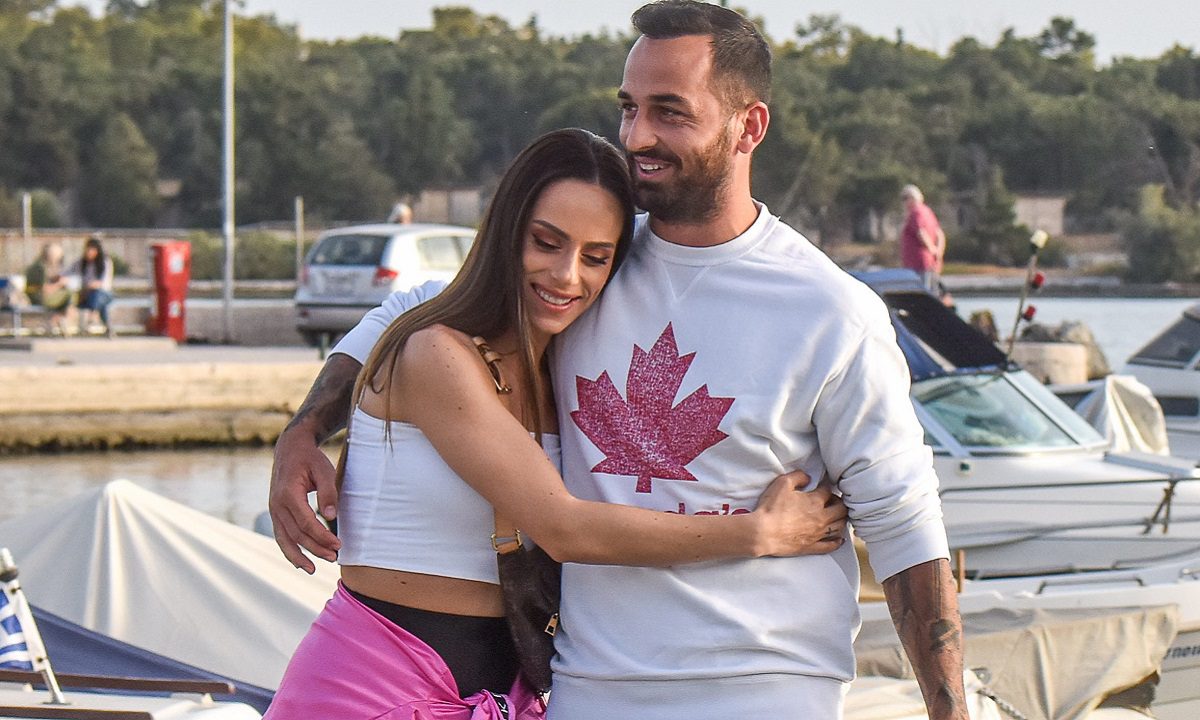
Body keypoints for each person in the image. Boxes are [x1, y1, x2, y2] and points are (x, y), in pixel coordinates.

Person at [270, 3, 968, 718]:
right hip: (587, 690)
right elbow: (408, 315)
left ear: (749, 126)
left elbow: (904, 524)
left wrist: (951, 710)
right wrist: (304, 430)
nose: (637, 136)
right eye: (629, 108)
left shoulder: (831, 310)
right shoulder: (591, 263)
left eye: (670, 111)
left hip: (764, 688)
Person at [264, 128, 848, 719]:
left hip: (507, 695)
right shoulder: (436, 350)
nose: (567, 276)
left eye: (596, 258)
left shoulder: (568, 363)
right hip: (373, 689)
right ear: (505, 231)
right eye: (546, 243)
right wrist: (758, 533)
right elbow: (563, 528)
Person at [900, 184, 947, 296]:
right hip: (930, 263)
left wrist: (932, 250)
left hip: (918, 263)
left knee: (921, 294)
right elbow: (940, 234)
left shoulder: (916, 213)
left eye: (905, 198)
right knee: (932, 292)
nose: (904, 202)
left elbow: (921, 233)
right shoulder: (928, 211)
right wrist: (938, 253)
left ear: (913, 198)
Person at [24, 243, 75, 335]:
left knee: (65, 296)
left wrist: (54, 280)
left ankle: (58, 319)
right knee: (69, 294)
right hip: (39, 299)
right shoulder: (40, 268)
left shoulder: (36, 265)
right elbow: (45, 290)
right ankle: (59, 319)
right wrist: (60, 283)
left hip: (34, 296)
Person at [69, 236, 115, 337]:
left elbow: (102, 283)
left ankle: (91, 318)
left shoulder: (104, 262)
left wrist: (90, 285)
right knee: (100, 303)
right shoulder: (82, 263)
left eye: (91, 250)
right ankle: (106, 326)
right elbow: (69, 272)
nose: (89, 252)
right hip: (88, 294)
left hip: (104, 293)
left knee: (97, 295)